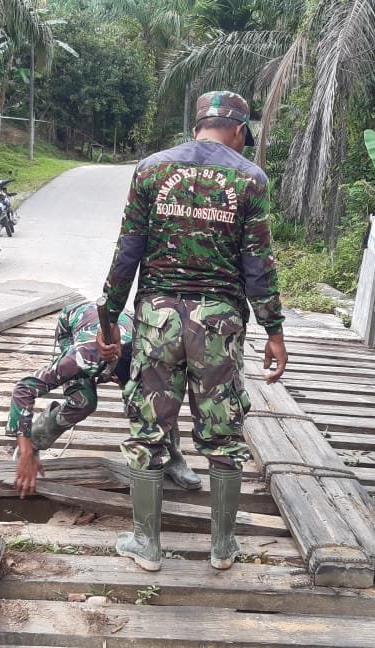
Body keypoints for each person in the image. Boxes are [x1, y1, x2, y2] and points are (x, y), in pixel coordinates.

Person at [97, 90, 288, 572]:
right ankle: (223, 547)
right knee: (223, 434)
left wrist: (109, 317)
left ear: (197, 125)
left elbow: (127, 250)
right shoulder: (250, 178)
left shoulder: (151, 169)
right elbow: (258, 264)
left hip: (157, 319)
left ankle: (147, 545)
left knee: (148, 429)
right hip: (218, 324)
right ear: (240, 130)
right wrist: (274, 329)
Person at [8, 300, 202, 498]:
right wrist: (26, 451)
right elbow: (23, 389)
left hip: (122, 330)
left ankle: (173, 459)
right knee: (83, 402)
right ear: (114, 377)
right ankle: (35, 441)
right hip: (76, 326)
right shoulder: (81, 358)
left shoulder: (151, 351)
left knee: (157, 400)